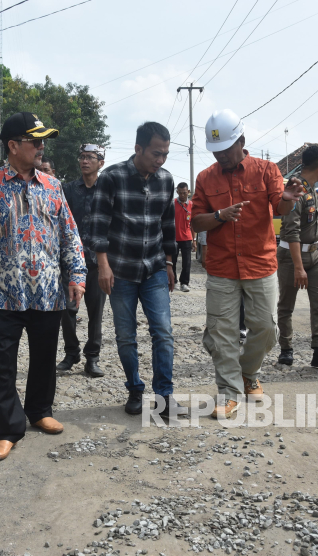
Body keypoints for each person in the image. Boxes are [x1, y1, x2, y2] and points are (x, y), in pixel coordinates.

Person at [0, 112, 86, 461]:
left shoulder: (52, 186)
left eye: (42, 140)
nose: (41, 146)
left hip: (48, 290)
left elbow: (69, 234)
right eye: (35, 140)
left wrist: (76, 275)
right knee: (2, 362)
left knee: (45, 356)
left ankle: (39, 409)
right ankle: (7, 429)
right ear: (13, 145)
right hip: (4, 291)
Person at [191, 109, 304, 419]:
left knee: (267, 328)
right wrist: (219, 216)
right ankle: (229, 393)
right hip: (222, 268)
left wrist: (289, 198)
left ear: (241, 140)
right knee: (222, 331)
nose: (221, 156)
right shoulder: (205, 178)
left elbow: (278, 205)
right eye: (216, 151)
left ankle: (247, 371)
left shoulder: (267, 170)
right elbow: (196, 223)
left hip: (260, 264)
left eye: (226, 149)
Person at [91, 121, 184, 418]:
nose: (160, 160)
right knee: (125, 335)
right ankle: (134, 388)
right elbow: (97, 226)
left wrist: (170, 263)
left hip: (155, 268)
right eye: (156, 154)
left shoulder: (166, 180)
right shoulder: (112, 178)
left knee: (163, 332)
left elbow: (168, 226)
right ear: (138, 149)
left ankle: (164, 398)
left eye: (165, 155)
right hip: (120, 271)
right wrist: (103, 266)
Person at [276, 146, 318, 368]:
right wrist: (298, 267)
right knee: (286, 306)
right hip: (292, 258)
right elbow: (291, 230)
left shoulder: (312, 188)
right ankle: (286, 350)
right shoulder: (296, 189)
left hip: (316, 255)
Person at [57, 144, 108, 377]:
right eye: (82, 157)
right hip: (71, 262)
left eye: (91, 157)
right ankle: (71, 353)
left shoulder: (107, 190)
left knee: (95, 312)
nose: (85, 161)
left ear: (101, 163)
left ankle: (92, 357)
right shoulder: (68, 189)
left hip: (98, 262)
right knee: (67, 310)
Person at [174, 182, 196, 292]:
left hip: (187, 238)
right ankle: (173, 281)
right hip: (174, 238)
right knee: (172, 261)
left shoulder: (192, 205)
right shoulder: (172, 204)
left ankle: (184, 283)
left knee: (187, 262)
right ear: (177, 192)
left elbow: (193, 225)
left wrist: (194, 241)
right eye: (180, 193)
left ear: (188, 192)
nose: (182, 195)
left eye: (184, 193)